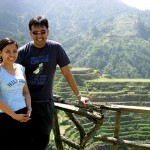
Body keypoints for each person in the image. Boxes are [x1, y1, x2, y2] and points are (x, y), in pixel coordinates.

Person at [16, 16, 89, 150]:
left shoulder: (55, 48)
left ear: (48, 31)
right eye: (35, 32)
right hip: (24, 105)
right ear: (30, 33)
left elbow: (66, 72)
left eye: (42, 32)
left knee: (42, 141)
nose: (39, 36)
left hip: (45, 104)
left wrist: (79, 96)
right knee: (25, 142)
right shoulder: (22, 52)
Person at [0, 37, 32, 150]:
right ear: (0, 53)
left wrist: (29, 108)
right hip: (6, 116)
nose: (12, 54)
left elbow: (26, 92)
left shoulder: (20, 68)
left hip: (23, 114)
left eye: (14, 51)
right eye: (7, 51)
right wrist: (14, 116)